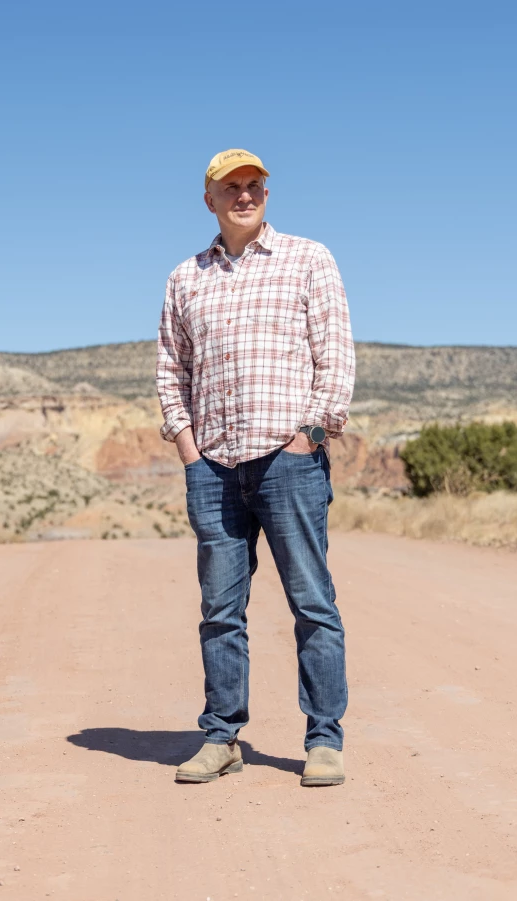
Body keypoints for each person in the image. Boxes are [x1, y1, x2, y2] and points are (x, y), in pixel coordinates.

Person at [156, 149, 355, 787]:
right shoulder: (185, 277)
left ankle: (324, 740)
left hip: (288, 461)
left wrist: (310, 436)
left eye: (255, 185)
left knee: (312, 603)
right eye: (231, 187)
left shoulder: (309, 259)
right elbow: (171, 370)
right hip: (213, 465)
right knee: (220, 610)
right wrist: (188, 450)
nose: (245, 195)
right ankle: (222, 737)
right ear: (209, 199)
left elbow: (336, 357)